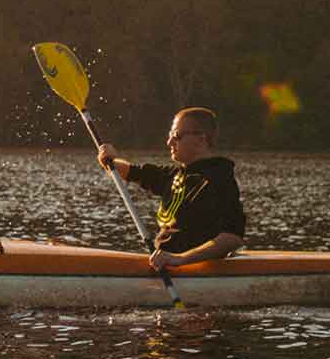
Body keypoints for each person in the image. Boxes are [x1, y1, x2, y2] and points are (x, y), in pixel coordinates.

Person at [95, 107, 245, 270]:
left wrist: (179, 259)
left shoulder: (219, 179)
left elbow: (232, 237)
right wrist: (109, 159)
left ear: (201, 139)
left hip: (190, 270)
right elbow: (132, 172)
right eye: (170, 135)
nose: (169, 142)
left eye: (176, 136)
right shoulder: (176, 175)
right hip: (164, 264)